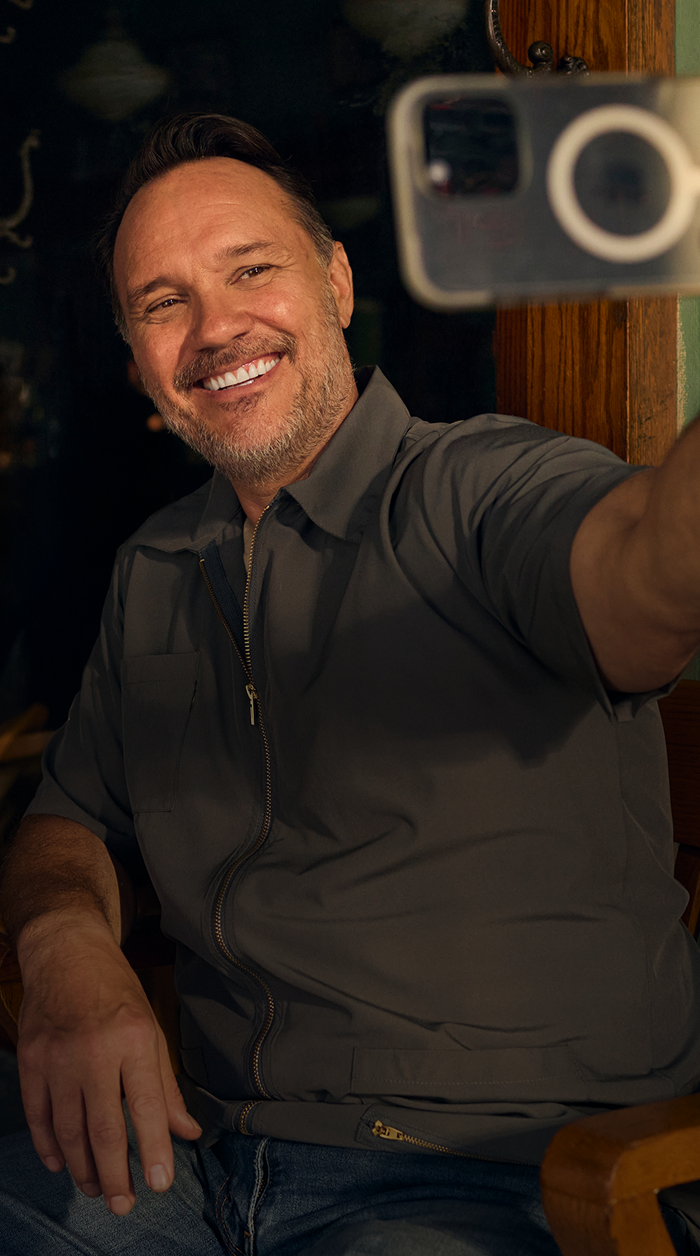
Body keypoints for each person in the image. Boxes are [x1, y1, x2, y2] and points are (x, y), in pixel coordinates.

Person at [1, 111, 699, 1256]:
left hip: (497, 1177)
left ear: (334, 282)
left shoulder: (482, 487)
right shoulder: (156, 566)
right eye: (164, 302)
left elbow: (647, 567)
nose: (215, 327)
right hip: (196, 1158)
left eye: (251, 269)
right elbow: (68, 818)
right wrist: (64, 948)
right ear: (136, 362)